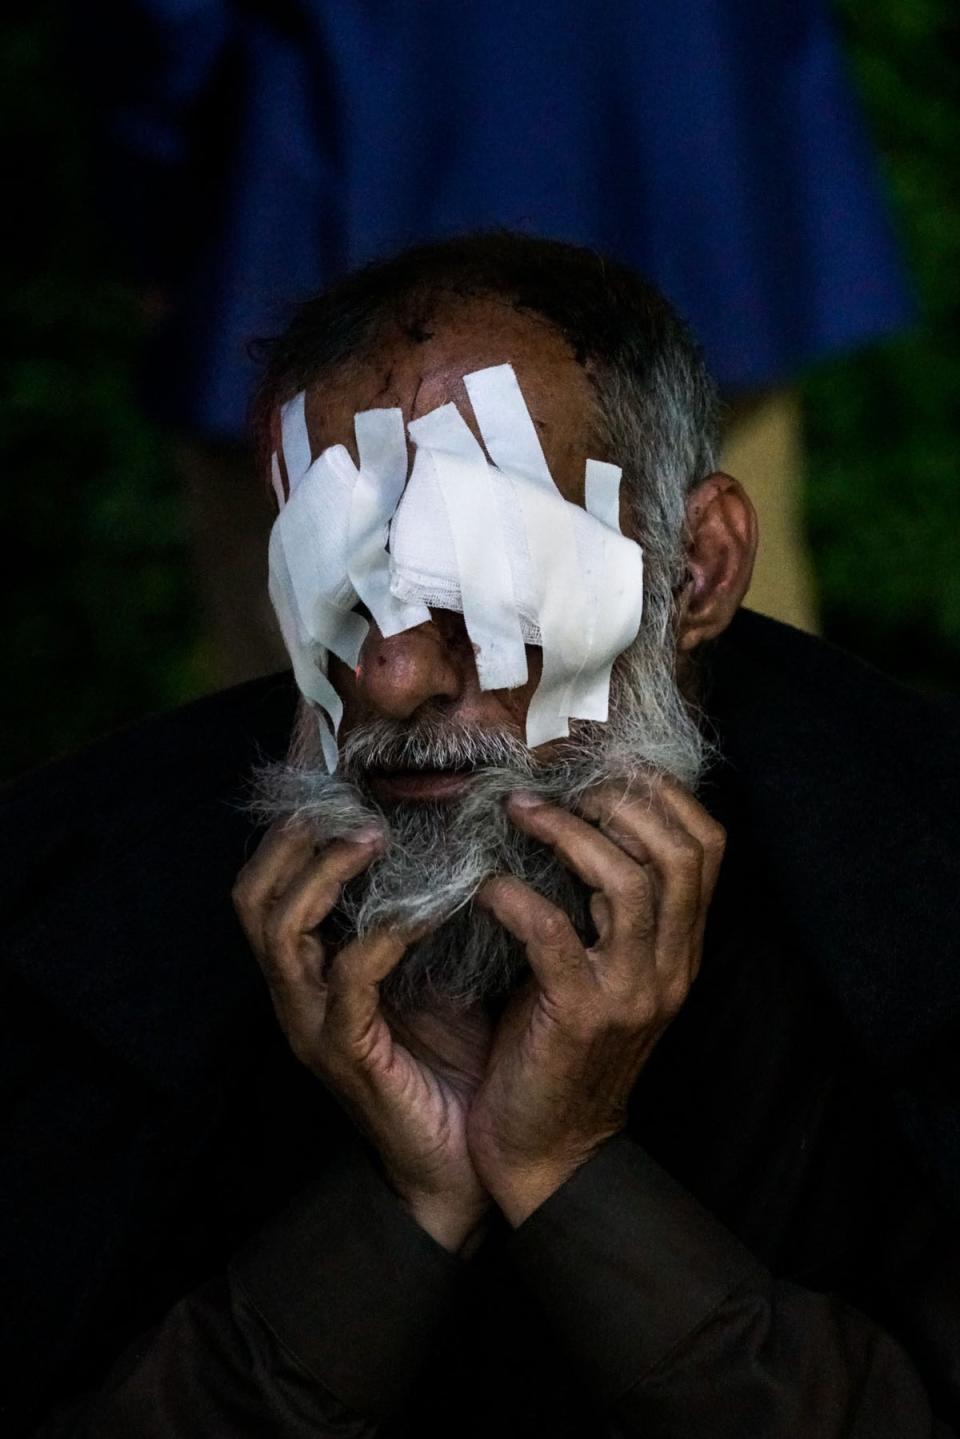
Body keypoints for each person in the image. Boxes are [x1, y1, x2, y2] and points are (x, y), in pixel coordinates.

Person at [3, 235, 958, 1438]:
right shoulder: (68, 913)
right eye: (339, 584)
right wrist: (395, 1211)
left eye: (484, 572)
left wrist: (567, 1168)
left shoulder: (918, 890)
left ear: (700, 568)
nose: (392, 675)